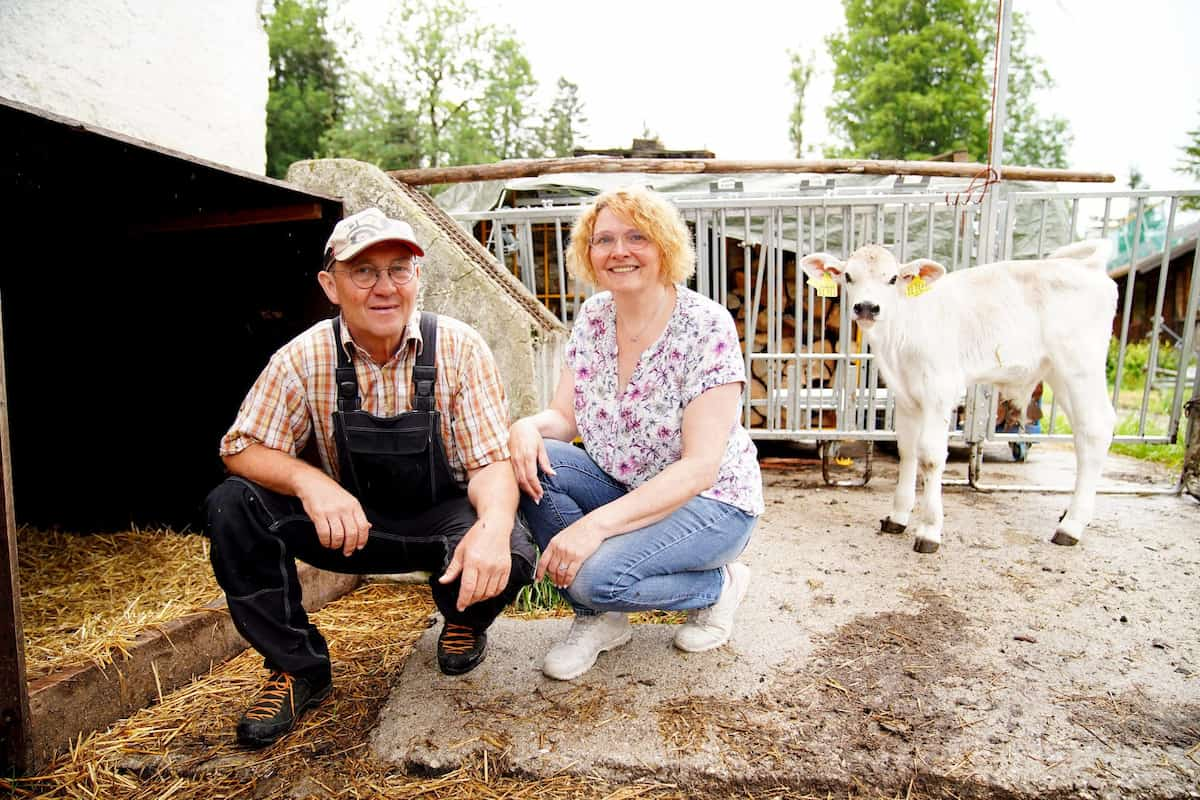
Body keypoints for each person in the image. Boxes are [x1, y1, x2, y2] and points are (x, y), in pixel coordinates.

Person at [205, 207, 535, 747]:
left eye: (398, 269)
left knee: (513, 550)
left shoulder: (458, 347)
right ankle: (297, 668)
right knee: (232, 505)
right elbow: (239, 449)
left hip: (439, 521)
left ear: (417, 279)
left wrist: (493, 531)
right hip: (347, 527)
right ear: (330, 285)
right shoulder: (302, 357)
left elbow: (490, 463)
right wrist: (313, 484)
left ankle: (463, 617)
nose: (385, 288)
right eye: (364, 272)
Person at [508, 185, 763, 681]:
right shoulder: (592, 318)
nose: (618, 251)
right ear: (589, 253)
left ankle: (720, 585)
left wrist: (593, 527)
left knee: (591, 574)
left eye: (636, 237)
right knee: (535, 460)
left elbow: (700, 466)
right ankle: (601, 617)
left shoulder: (705, 326)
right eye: (603, 240)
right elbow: (565, 419)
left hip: (713, 503)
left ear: (665, 245)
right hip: (631, 488)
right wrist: (525, 426)